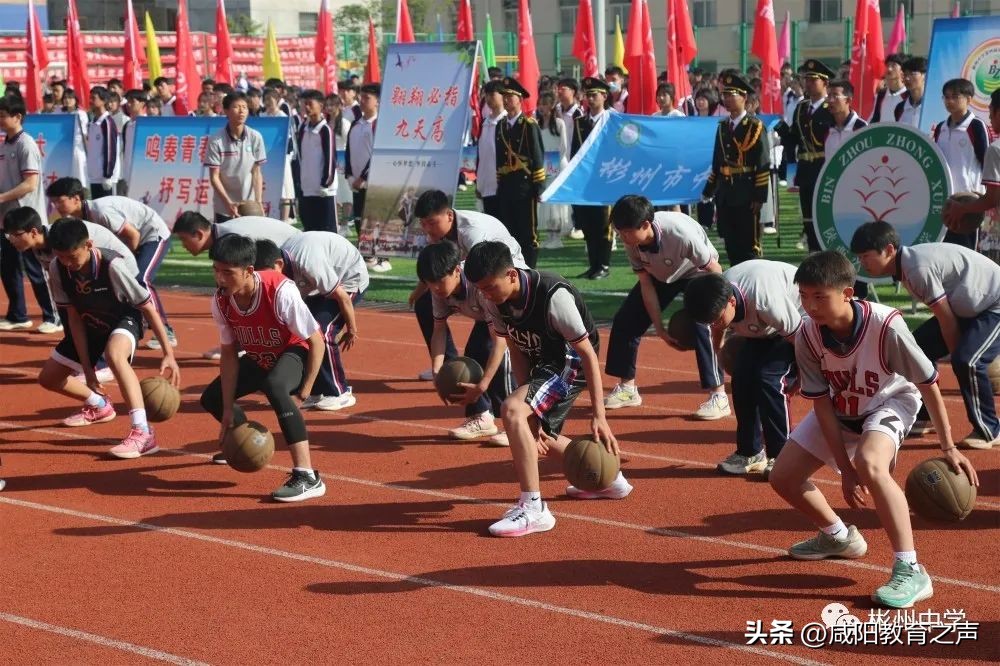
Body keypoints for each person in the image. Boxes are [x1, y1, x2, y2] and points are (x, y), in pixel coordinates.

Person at [768, 250, 978, 609]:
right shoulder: (806, 333)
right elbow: (820, 401)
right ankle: (837, 537)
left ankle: (910, 568)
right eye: (804, 296)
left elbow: (928, 383)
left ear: (847, 293)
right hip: (841, 408)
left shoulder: (885, 325)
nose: (810, 305)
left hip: (889, 402)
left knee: (871, 463)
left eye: (820, 296)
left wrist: (948, 447)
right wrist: (843, 470)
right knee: (782, 477)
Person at [464, 241, 631, 538]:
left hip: (571, 359)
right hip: (543, 360)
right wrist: (529, 404)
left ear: (512, 275)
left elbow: (587, 355)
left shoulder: (554, 296)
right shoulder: (493, 299)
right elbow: (516, 348)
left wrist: (599, 416)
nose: (485, 295)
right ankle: (606, 477)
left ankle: (534, 508)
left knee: (512, 410)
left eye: (490, 287)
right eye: (480, 288)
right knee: (525, 423)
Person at [200, 235, 328, 502]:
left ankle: (307, 476)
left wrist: (305, 391)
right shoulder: (221, 301)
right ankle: (243, 439)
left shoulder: (280, 290)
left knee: (275, 386)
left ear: (249, 271)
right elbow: (229, 353)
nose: (220, 278)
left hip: (296, 352)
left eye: (227, 272)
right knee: (211, 398)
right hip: (261, 357)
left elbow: (316, 341)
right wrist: (226, 410)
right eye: (215, 270)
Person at [37, 218, 180, 458]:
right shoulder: (56, 268)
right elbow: (73, 319)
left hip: (125, 318)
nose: (67, 263)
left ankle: (142, 432)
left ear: (88, 245)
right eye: (60, 257)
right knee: (48, 378)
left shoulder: (112, 265)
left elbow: (147, 307)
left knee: (115, 354)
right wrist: (88, 370)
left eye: (72, 257)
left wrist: (169, 353)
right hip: (89, 322)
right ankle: (99, 405)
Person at [851, 221, 1000, 449]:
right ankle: (925, 414)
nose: (862, 263)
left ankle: (989, 430)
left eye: (866, 256)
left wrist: (959, 354)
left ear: (889, 250)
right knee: (915, 350)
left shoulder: (916, 269)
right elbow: (946, 317)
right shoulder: (908, 265)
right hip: (971, 308)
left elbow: (947, 320)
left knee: (967, 361)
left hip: (994, 304)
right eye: (859, 257)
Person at [602, 195, 729, 420]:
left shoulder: (681, 235)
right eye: (619, 231)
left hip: (696, 272)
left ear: (645, 225)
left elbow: (715, 271)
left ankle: (718, 396)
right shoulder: (632, 241)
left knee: (703, 323)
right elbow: (646, 285)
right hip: (660, 274)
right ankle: (627, 388)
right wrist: (659, 327)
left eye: (626, 231)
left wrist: (720, 313)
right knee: (626, 320)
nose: (622, 236)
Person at [683, 261, 803, 477]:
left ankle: (784, 455)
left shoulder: (766, 301)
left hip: (797, 321)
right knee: (742, 378)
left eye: (718, 319)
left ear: (731, 302)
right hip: (762, 329)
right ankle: (750, 452)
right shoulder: (718, 302)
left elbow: (800, 338)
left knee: (769, 380)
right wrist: (720, 353)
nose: (715, 324)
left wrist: (802, 376)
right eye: (710, 322)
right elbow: (716, 329)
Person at [46, 177, 175, 349]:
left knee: (141, 278)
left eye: (60, 201)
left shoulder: (101, 212)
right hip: (134, 240)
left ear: (76, 198)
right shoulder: (79, 223)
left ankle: (165, 330)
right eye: (53, 202)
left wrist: (129, 265)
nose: (56, 206)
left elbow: (133, 235)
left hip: (152, 234)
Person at [411, 189, 527, 381]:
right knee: (424, 304)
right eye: (423, 224)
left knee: (480, 347)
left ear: (449, 215)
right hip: (470, 278)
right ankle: (449, 367)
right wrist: (418, 291)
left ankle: (502, 368)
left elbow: (481, 273)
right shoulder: (437, 233)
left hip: (500, 278)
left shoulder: (473, 232)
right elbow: (435, 268)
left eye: (431, 223)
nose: (427, 229)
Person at [417, 240, 513, 444]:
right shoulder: (438, 291)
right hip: (487, 317)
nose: (435, 287)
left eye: (439, 281)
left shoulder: (480, 288)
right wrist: (437, 370)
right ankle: (481, 417)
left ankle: (515, 423)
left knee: (499, 361)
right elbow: (439, 330)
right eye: (429, 283)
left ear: (456, 271)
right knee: (471, 356)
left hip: (513, 312)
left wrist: (484, 383)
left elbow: (500, 341)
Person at [278, 231, 368, 411]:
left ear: (278, 264)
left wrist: (351, 330)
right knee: (301, 330)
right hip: (319, 285)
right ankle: (316, 391)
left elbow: (342, 297)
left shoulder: (309, 264)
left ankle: (339, 393)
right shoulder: (280, 266)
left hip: (348, 280)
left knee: (322, 332)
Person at [0, 95, 61, 333]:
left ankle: (53, 316)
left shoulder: (26, 144)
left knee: (36, 269)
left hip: (27, 219)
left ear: (18, 117)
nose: (1, 120)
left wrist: (2, 198)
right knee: (8, 267)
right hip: (7, 218)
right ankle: (18, 315)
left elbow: (30, 183)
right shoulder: (5, 144)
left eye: (4, 115)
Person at [701, 73, 771, 266]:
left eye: (733, 95)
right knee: (730, 242)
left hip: (747, 191)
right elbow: (717, 161)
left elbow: (763, 163)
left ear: (744, 97)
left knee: (749, 244)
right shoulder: (723, 126)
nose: (728, 99)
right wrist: (709, 189)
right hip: (725, 192)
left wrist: (759, 196)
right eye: (726, 95)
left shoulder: (755, 126)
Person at [932, 78, 991, 250]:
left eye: (955, 97)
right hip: (946, 201)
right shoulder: (941, 128)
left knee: (967, 251)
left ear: (969, 99)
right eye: (946, 97)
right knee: (945, 249)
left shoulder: (976, 126)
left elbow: (987, 161)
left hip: (969, 201)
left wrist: (983, 196)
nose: (949, 101)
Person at [783, 59, 835, 252]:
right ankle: (813, 252)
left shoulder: (831, 108)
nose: (809, 83)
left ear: (825, 83)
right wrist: (783, 132)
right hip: (805, 168)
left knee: (823, 214)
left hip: (823, 166)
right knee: (808, 216)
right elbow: (795, 137)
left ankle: (827, 253)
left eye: (814, 80)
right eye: (807, 79)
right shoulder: (801, 108)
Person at [495, 77, 545, 269]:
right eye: (504, 96)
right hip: (507, 185)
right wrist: (500, 183)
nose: (506, 100)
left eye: (510, 96)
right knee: (510, 230)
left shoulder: (528, 124)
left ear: (519, 100)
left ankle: (530, 267)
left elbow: (537, 156)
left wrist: (539, 186)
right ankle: (515, 265)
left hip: (525, 186)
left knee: (528, 232)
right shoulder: (501, 126)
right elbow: (500, 158)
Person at [345, 82, 391, 272]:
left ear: (378, 101)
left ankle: (381, 258)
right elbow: (349, 152)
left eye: (367, 98)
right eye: (361, 98)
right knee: (359, 219)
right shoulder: (356, 124)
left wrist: (363, 177)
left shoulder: (380, 125)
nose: (362, 102)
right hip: (356, 182)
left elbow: (379, 154)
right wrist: (349, 174)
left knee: (376, 219)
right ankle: (367, 254)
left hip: (375, 183)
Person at [571, 77, 613, 279]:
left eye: (594, 95)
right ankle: (593, 264)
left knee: (604, 224)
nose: (590, 99)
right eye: (588, 95)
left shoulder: (612, 120)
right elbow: (574, 152)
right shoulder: (580, 122)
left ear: (604, 96)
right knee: (588, 224)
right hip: (585, 182)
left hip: (606, 180)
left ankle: (603, 265)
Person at [205, 92, 266, 223]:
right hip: (224, 205)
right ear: (226, 111)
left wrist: (258, 201)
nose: (242, 111)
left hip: (249, 205)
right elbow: (214, 177)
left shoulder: (255, 137)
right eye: (236, 107)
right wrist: (228, 203)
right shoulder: (216, 140)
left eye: (244, 107)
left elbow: (256, 172)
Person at [296, 89, 338, 233]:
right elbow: (301, 157)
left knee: (327, 231)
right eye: (304, 104)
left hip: (324, 190)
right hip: (307, 188)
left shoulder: (325, 130)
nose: (306, 107)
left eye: (310, 104)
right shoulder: (302, 128)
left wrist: (325, 183)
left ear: (321, 105)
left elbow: (331, 158)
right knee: (310, 229)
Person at [534, 91, 571, 249]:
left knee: (556, 203)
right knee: (545, 201)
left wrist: (553, 162)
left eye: (545, 104)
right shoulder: (537, 124)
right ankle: (549, 235)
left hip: (557, 164)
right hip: (543, 164)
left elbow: (563, 147)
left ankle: (557, 236)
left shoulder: (559, 123)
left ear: (551, 106)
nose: (542, 107)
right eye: (540, 104)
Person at [261, 87, 296, 222]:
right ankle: (270, 218)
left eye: (271, 100)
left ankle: (285, 219)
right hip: (266, 159)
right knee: (269, 189)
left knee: (284, 190)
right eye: (266, 100)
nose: (268, 103)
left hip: (281, 158)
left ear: (277, 100)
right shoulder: (262, 117)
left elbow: (287, 138)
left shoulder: (282, 117)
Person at [475, 80, 506, 220]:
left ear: (503, 96)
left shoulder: (507, 122)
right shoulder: (485, 123)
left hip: (504, 185)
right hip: (487, 185)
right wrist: (479, 183)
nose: (488, 98)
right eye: (486, 95)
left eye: (492, 94)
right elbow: (482, 156)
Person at [86, 86, 120, 199]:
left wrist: (107, 175)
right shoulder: (92, 123)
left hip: (105, 178)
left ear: (104, 101)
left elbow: (110, 150)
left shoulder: (107, 122)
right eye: (90, 97)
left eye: (94, 98)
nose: (90, 101)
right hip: (94, 176)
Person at [120, 89, 147, 194]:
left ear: (142, 103)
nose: (129, 104)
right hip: (128, 175)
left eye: (133, 101)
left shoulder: (148, 125)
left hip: (143, 175)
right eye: (128, 101)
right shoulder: (127, 125)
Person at [870, 54, 907, 123]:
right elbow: (873, 119)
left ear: (903, 70)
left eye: (893, 65)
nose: (889, 69)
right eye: (887, 65)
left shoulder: (908, 96)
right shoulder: (881, 95)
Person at [894, 57, 926, 127]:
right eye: (905, 74)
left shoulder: (934, 106)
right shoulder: (900, 108)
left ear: (924, 75)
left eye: (912, 74)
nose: (907, 78)